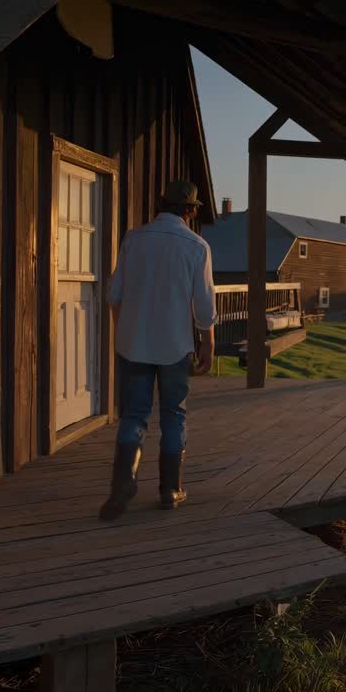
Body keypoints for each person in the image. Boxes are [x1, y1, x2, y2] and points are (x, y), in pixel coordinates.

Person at [100, 180, 215, 521]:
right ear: (192, 210)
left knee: (133, 415)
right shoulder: (197, 246)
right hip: (176, 345)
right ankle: (170, 489)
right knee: (173, 415)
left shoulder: (133, 240)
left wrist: (123, 331)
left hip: (133, 343)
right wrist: (207, 345)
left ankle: (122, 487)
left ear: (160, 203)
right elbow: (205, 307)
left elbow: (114, 294)